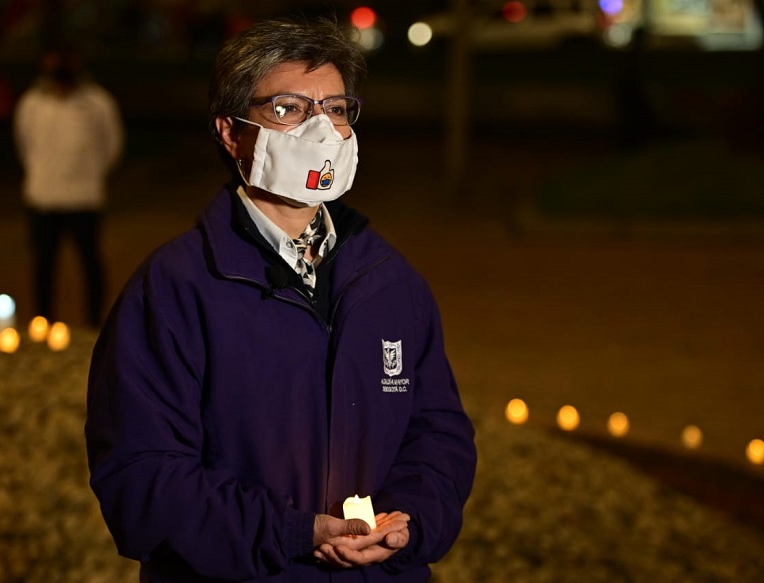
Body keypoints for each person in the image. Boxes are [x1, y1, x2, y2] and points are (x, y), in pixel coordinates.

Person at [85, 17, 476, 583]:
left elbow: (439, 434)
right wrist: (292, 534)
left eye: (337, 109)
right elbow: (141, 478)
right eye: (289, 109)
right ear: (230, 132)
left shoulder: (390, 283)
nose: (321, 130)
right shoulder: (174, 290)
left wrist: (410, 523)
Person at [14, 47, 123, 327]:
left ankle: (93, 322)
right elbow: (25, 144)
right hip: (43, 197)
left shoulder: (98, 103)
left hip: (84, 197)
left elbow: (112, 145)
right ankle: (43, 321)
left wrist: (91, 175)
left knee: (90, 262)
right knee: (44, 264)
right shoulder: (31, 104)